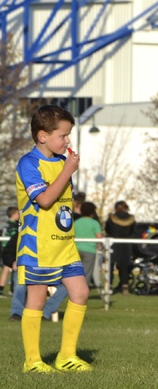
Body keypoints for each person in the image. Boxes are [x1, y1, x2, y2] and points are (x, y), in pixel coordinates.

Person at [14, 104, 91, 372]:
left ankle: (66, 357)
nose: (68, 141)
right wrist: (67, 171)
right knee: (37, 300)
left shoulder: (60, 162)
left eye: (69, 135)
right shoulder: (28, 163)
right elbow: (45, 200)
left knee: (81, 293)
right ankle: (32, 361)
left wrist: (66, 169)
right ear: (43, 136)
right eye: (63, 135)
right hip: (39, 245)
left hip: (64, 245)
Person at [104, 200, 136, 294]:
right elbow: (133, 232)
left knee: (110, 265)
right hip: (125, 244)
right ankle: (125, 286)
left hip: (113, 243)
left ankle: (109, 285)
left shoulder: (111, 218)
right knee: (124, 266)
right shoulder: (131, 219)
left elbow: (107, 229)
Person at [74, 201, 104, 289]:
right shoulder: (94, 223)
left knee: (76, 272)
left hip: (76, 249)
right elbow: (99, 237)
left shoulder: (76, 222)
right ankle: (83, 290)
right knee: (87, 272)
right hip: (90, 250)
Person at [1, 206, 19, 294]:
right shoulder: (14, 226)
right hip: (9, 250)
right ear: (14, 214)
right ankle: (8, 289)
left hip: (3, 248)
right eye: (18, 213)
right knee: (8, 268)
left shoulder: (6, 225)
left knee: (6, 269)